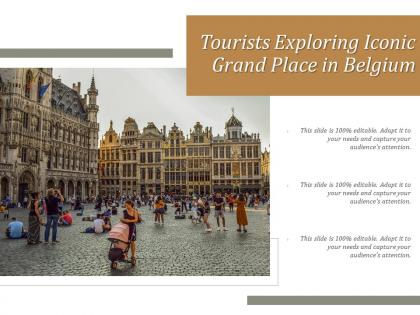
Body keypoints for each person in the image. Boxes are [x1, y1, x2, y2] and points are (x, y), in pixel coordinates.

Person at [120, 200, 138, 264]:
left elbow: (136, 219)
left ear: (130, 204)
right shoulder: (124, 211)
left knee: (132, 242)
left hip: (132, 227)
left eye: (126, 205)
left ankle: (133, 256)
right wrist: (122, 220)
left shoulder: (134, 211)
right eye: (125, 205)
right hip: (125, 228)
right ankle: (125, 254)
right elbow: (122, 218)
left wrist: (129, 221)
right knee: (125, 241)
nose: (126, 206)